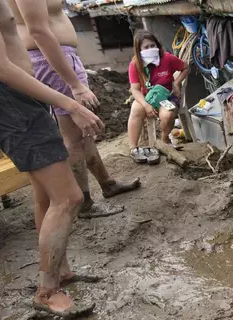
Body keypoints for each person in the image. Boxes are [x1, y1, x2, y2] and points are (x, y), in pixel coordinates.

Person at [0, 0, 104, 316]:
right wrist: (70, 103)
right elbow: (1, 66)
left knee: (45, 197)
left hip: (23, 97)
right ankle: (46, 291)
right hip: (11, 101)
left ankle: (61, 272)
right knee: (69, 199)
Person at [8, 0, 141, 218]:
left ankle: (106, 183)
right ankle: (85, 203)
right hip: (53, 61)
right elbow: (39, 31)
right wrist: (74, 84)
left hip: (58, 58)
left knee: (83, 132)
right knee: (73, 137)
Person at [127, 30, 189, 164]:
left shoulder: (167, 58)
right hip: (146, 97)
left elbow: (185, 67)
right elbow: (135, 90)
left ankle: (164, 139)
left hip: (167, 97)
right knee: (136, 110)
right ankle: (133, 148)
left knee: (167, 115)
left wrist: (177, 83)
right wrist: (145, 105)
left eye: (152, 45)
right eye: (146, 47)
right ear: (139, 50)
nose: (150, 49)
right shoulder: (135, 65)